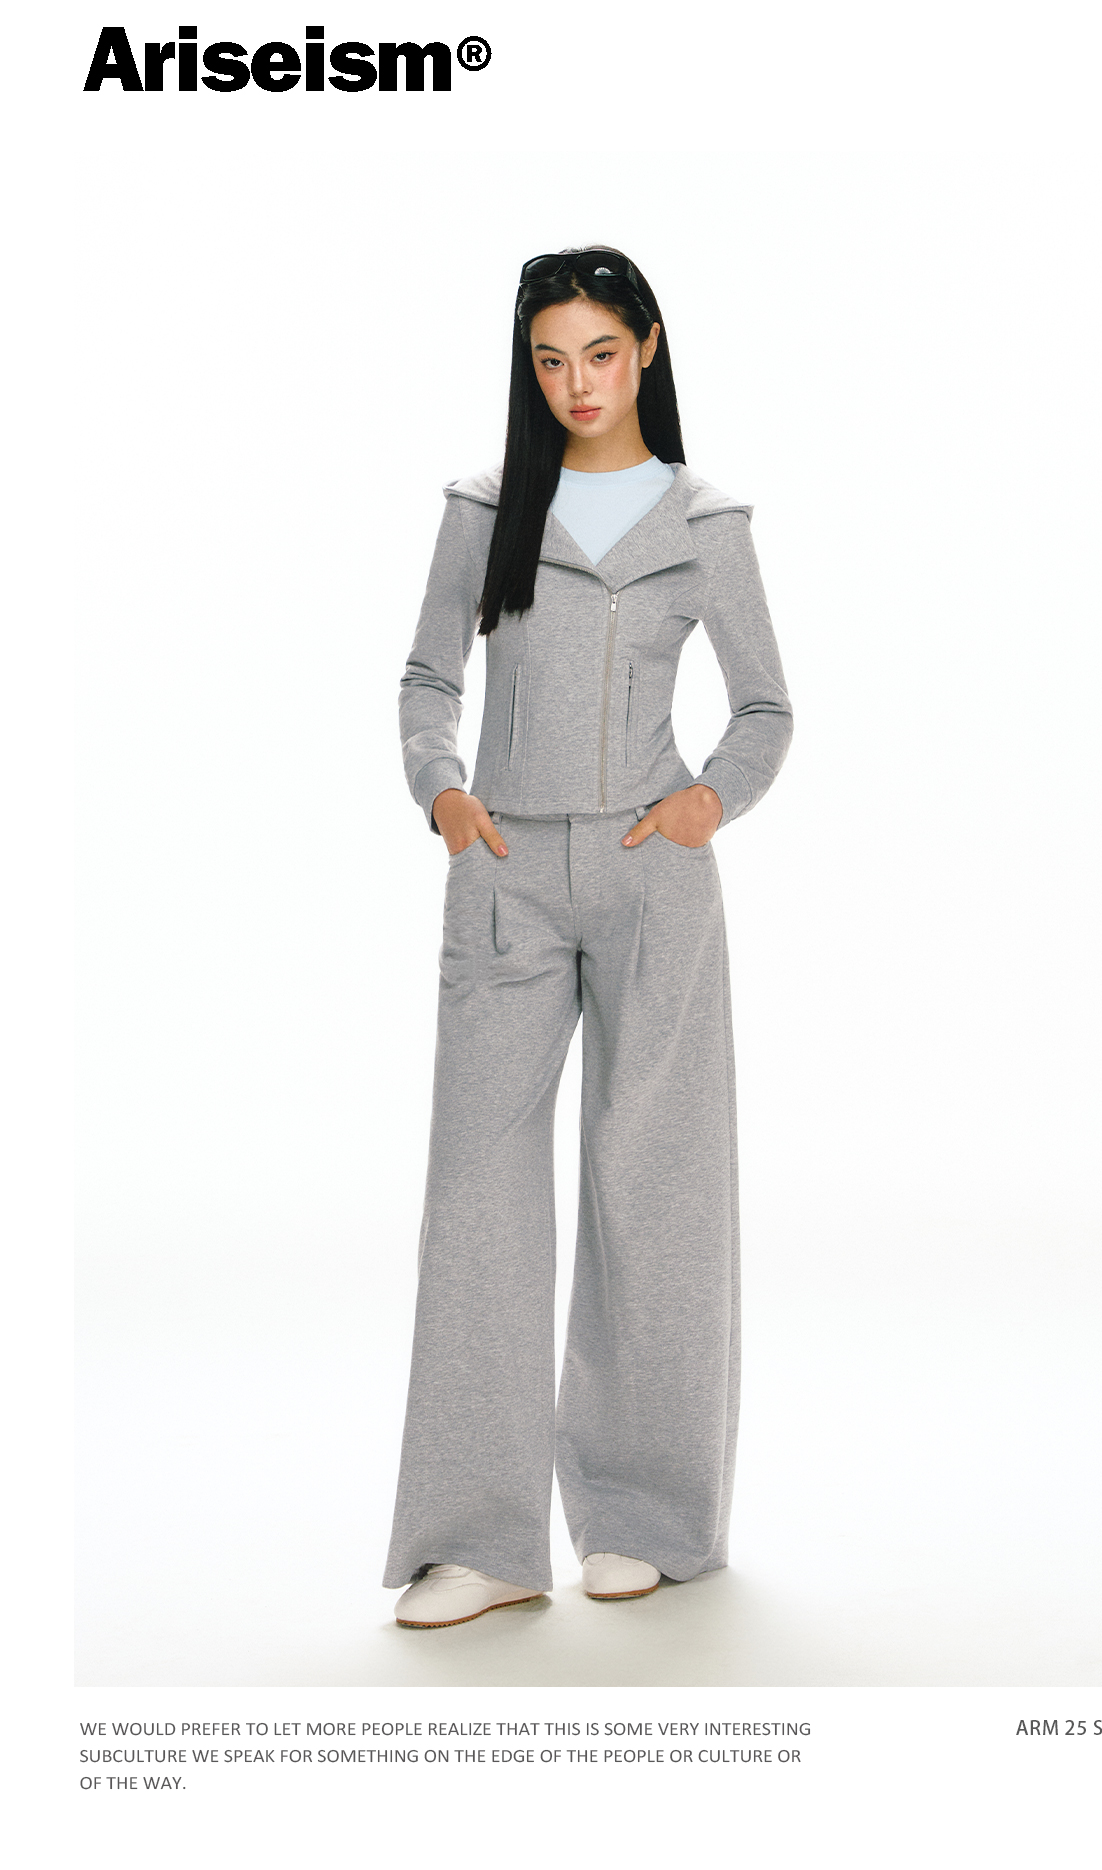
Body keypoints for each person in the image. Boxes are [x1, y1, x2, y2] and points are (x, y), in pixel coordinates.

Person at [383, 246, 793, 1628]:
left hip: (648, 872)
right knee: (476, 1195)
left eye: (601, 354)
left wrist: (706, 805)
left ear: (648, 348)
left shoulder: (704, 520)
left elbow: (766, 707)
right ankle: (479, 1543)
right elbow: (430, 672)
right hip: (502, 869)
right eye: (551, 358)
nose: (578, 383)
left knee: (654, 1189)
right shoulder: (487, 505)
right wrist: (442, 791)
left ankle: (649, 1518)